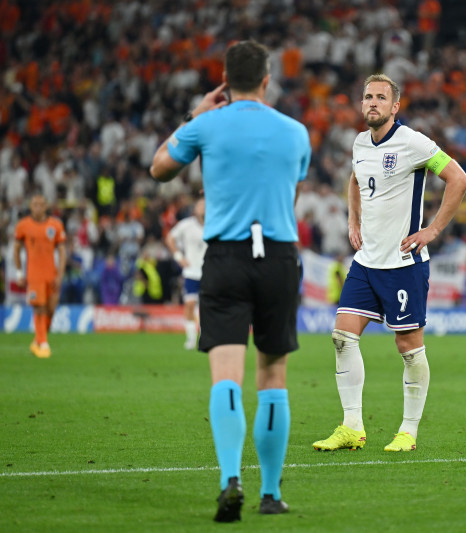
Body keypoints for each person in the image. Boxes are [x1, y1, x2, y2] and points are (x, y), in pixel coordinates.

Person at [150, 40, 311, 522]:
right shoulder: (295, 132)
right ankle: (271, 492)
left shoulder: (206, 124)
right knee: (272, 376)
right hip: (279, 255)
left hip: (223, 255)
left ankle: (228, 480)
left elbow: (159, 168)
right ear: (266, 80)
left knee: (226, 375)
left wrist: (195, 115)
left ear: (225, 80)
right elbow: (292, 187)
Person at [312, 73, 466, 453]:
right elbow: (354, 180)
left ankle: (408, 432)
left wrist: (431, 231)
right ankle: (351, 426)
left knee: (409, 347)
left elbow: (458, 179)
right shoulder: (360, 142)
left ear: (395, 106)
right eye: (367, 96)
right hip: (366, 262)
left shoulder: (413, 142)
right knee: (342, 336)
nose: (373, 103)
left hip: (404, 263)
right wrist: (353, 220)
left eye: (381, 98)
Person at [13, 194, 67, 358]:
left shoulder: (55, 225)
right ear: (30, 206)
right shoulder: (23, 226)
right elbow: (16, 249)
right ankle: (43, 344)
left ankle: (38, 340)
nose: (38, 208)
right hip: (34, 274)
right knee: (39, 307)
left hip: (51, 273)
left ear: (46, 206)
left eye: (41, 204)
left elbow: (62, 251)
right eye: (35, 204)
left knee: (51, 309)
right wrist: (19, 273)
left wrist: (60, 274)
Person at [165, 197, 207, 349]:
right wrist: (179, 257)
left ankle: (205, 336)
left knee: (207, 306)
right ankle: (190, 338)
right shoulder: (186, 225)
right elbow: (170, 238)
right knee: (190, 304)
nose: (203, 208)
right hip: (191, 272)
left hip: (209, 271)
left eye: (205, 205)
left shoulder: (215, 224)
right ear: (195, 209)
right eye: (200, 205)